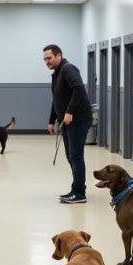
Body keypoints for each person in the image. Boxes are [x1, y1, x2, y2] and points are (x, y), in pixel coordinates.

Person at [43, 44, 93, 204]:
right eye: (44, 59)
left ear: (59, 56)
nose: (46, 62)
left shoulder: (68, 69)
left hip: (79, 119)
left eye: (49, 58)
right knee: (70, 156)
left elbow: (79, 89)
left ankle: (79, 193)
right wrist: (52, 120)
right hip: (67, 121)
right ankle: (76, 189)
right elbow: (56, 99)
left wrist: (70, 112)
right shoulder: (56, 74)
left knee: (76, 156)